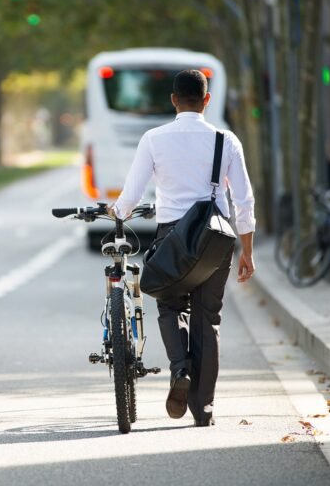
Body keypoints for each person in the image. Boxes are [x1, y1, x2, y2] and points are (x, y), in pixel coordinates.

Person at [108, 69, 256, 427]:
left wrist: (118, 212)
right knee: (208, 319)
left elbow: (130, 195)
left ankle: (180, 369)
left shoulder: (154, 139)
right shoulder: (226, 140)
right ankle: (203, 410)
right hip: (215, 241)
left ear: (173, 100)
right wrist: (247, 252)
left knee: (169, 305)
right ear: (206, 99)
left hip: (172, 237)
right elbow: (244, 200)